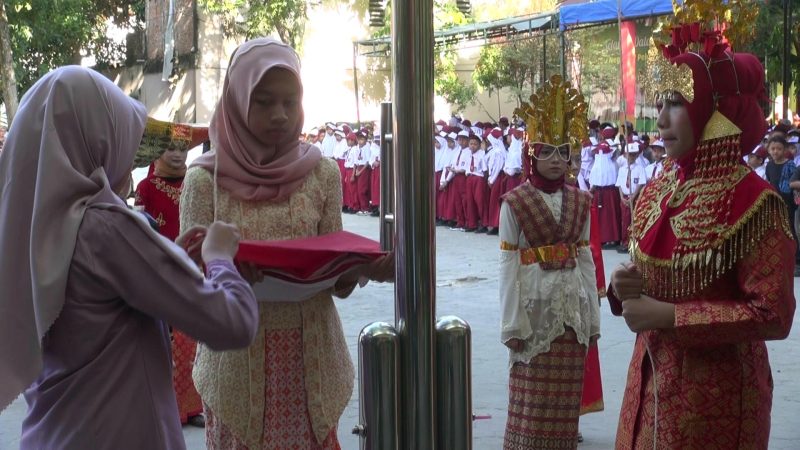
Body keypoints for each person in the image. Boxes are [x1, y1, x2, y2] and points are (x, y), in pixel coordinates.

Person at [0, 66, 259, 449]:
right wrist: (220, 259)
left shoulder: (26, 229)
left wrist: (166, 257)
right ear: (98, 142)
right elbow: (233, 323)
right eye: (123, 140)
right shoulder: (105, 229)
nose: (131, 158)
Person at [181, 38, 392, 449]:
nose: (279, 115)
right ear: (237, 101)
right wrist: (224, 273)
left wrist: (360, 268)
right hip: (237, 373)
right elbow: (188, 287)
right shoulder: (205, 181)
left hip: (312, 365)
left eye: (289, 101)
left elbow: (334, 270)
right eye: (262, 102)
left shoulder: (321, 174)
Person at [609, 34, 795, 448]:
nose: (660, 121)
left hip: (714, 405)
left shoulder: (754, 203)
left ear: (713, 109)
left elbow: (773, 313)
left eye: (675, 103)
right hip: (646, 391)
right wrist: (625, 283)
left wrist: (672, 317)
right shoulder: (660, 187)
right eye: (660, 104)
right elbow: (654, 274)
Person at [500, 75, 600, 450]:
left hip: (571, 315)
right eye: (547, 151)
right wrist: (511, 322)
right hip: (532, 316)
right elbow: (507, 265)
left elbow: (585, 257)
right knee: (531, 407)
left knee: (563, 414)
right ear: (531, 153)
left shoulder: (581, 201)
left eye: (563, 150)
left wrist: (592, 317)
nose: (556, 160)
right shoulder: (515, 202)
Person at [134, 119, 210, 428]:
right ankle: (164, 406)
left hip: (193, 269)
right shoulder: (145, 188)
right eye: (170, 148)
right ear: (156, 153)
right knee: (162, 342)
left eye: (182, 148)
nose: (177, 155)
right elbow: (141, 229)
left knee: (189, 342)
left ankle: (191, 408)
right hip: (159, 269)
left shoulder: (198, 181)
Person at [615, 143, 647, 254]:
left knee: (634, 220)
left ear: (637, 156)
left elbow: (641, 184)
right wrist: (621, 198)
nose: (631, 157)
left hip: (635, 196)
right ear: (625, 155)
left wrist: (633, 197)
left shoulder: (639, 169)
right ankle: (624, 242)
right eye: (629, 154)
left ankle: (633, 243)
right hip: (624, 197)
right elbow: (619, 184)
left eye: (633, 155)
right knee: (625, 221)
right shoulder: (622, 169)